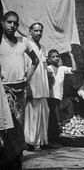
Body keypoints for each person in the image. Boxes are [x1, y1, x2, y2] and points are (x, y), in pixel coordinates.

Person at [0, 11, 39, 169]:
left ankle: (16, 159)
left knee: (18, 124)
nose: (12, 26)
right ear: (3, 23)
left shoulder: (23, 41)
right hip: (4, 90)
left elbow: (35, 60)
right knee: (6, 125)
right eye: (9, 22)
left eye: (15, 23)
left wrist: (27, 77)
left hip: (19, 89)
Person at [24, 22, 51, 151]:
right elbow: (25, 67)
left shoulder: (44, 48)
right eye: (36, 31)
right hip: (33, 86)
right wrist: (27, 86)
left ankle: (41, 141)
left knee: (43, 114)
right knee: (32, 115)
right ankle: (30, 142)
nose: (38, 33)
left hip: (42, 87)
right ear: (30, 31)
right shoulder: (27, 46)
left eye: (40, 31)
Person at [47, 49, 77, 143]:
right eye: (53, 57)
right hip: (49, 98)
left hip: (58, 98)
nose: (56, 58)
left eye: (57, 56)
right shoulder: (47, 69)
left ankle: (54, 139)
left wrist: (71, 56)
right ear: (49, 59)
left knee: (56, 118)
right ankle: (51, 140)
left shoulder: (62, 69)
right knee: (53, 119)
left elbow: (74, 69)